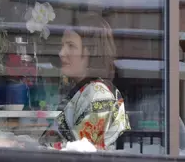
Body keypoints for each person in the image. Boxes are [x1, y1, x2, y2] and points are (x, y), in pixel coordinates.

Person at [39, 11, 130, 150]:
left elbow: (79, 153)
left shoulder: (98, 94)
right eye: (62, 45)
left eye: (71, 46)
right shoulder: (86, 90)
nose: (61, 53)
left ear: (91, 52)